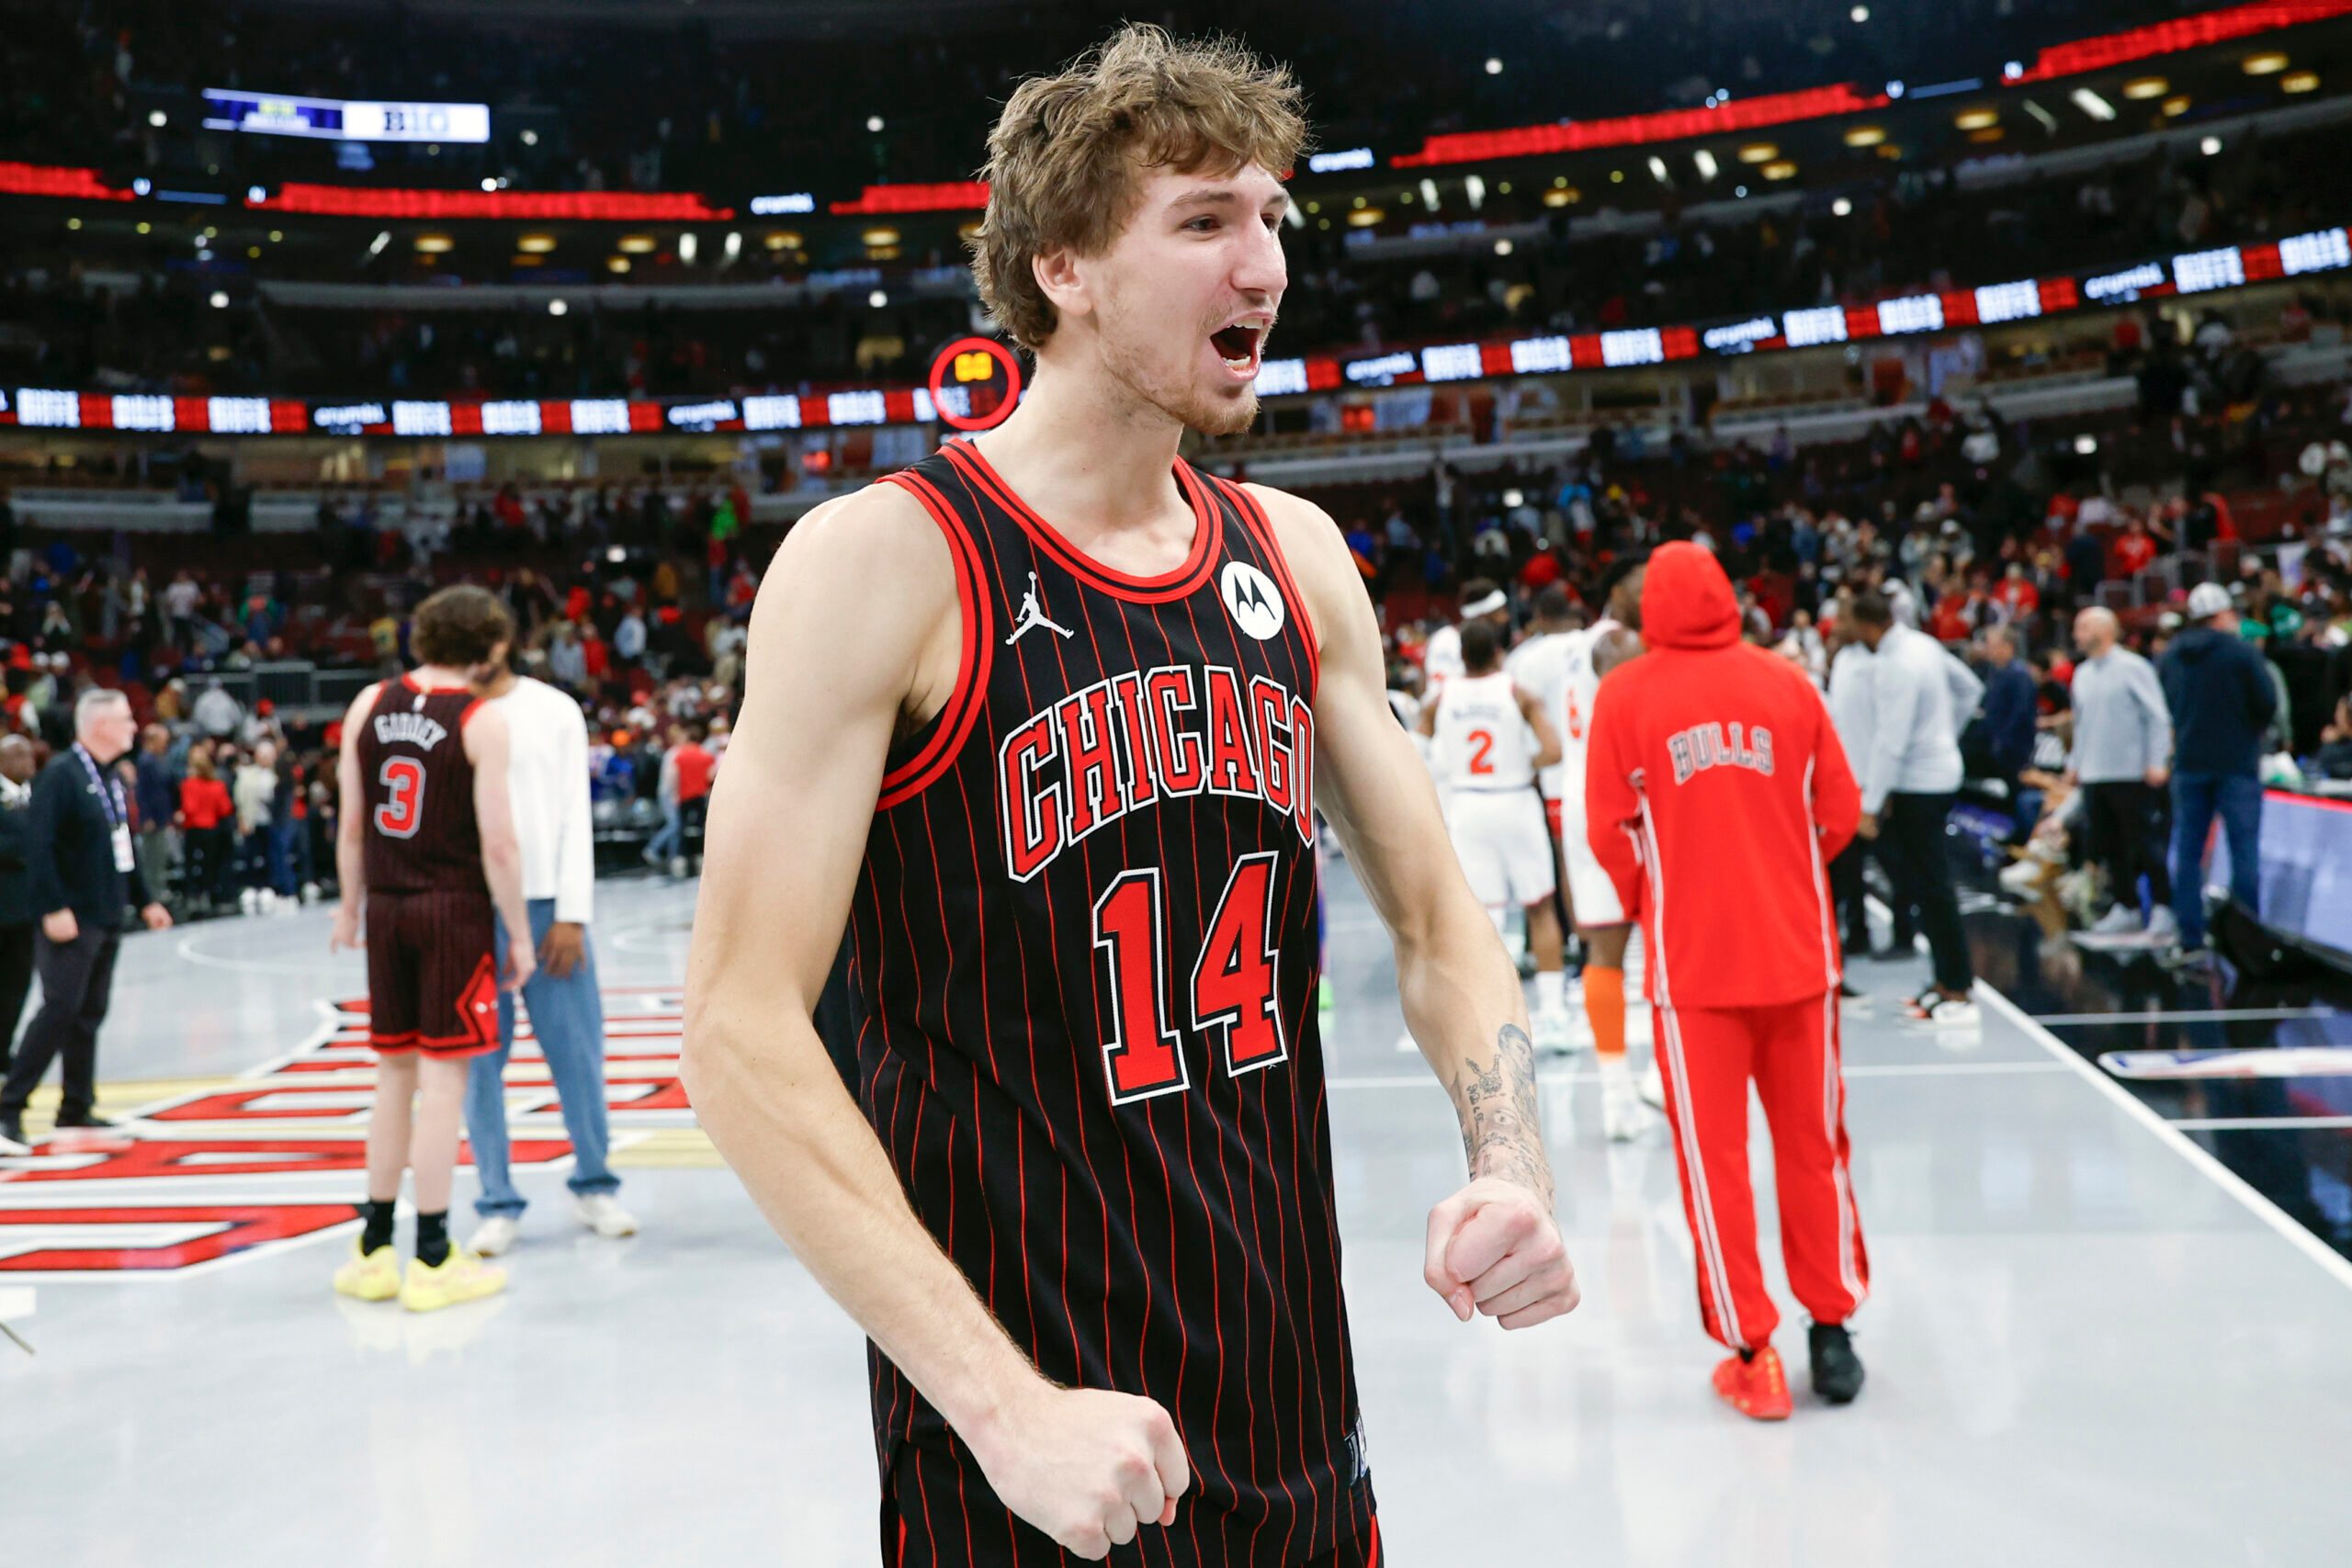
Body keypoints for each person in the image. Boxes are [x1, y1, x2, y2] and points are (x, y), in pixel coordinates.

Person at [683, 27, 1577, 1566]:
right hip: (1036, 1470)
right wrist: (1004, 1406)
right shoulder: (888, 561)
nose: (1264, 264)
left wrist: (1511, 1164)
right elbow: (737, 1027)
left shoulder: (1295, 557)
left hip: (1303, 1438)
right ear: (1065, 267)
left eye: (1273, 217)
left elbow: (1441, 924)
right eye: (1204, 219)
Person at [1586, 541, 1869, 1420]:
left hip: (1693, 969)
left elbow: (1608, 829)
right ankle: (1833, 1328)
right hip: (1799, 957)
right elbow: (1840, 812)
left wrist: (1658, 896)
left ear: (1650, 609)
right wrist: (1784, 870)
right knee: (1814, 1148)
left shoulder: (1624, 693)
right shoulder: (1789, 683)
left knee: (1716, 1164)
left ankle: (1755, 1353)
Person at [328, 585, 534, 1314]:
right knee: (444, 1084)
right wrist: (519, 932)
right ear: (492, 645)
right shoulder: (481, 719)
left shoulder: (367, 704)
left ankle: (373, 1248)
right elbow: (499, 844)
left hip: (386, 909)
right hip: (452, 911)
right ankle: (436, 1254)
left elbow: (351, 824)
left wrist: (349, 906)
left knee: (393, 1076)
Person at [463, 647, 636, 1255]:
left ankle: (595, 1183)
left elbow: (573, 814)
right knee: (478, 1064)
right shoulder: (444, 710)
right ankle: (496, 1200)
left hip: (547, 908)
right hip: (470, 910)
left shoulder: (554, 709)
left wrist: (571, 911)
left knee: (578, 1055)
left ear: (499, 643)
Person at [0, 691, 173, 1154]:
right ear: (99, 725)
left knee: (88, 1013)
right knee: (59, 1008)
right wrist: (53, 907)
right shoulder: (62, 775)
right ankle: (8, 1109)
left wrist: (145, 900)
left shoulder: (110, 776)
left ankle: (75, 1106)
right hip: (72, 914)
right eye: (125, 719)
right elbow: (39, 847)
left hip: (106, 911)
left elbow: (123, 843)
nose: (134, 727)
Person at [1418, 618, 1566, 1045]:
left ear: (1461, 656)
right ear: (1499, 652)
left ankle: (1492, 1016)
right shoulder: (1517, 692)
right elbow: (1553, 751)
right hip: (1514, 800)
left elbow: (1416, 749)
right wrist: (1521, 762)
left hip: (1468, 807)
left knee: (1484, 917)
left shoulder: (1440, 699)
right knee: (1540, 908)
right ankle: (1554, 1014)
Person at [1845, 592, 1978, 1025]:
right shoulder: (1925, 645)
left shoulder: (1895, 664)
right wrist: (1945, 735)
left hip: (1917, 782)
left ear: (1867, 626)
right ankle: (1945, 980)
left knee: (1932, 885)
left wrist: (1870, 804)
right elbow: (1970, 689)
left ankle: (1956, 986)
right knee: (1927, 884)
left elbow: (1892, 740)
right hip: (1936, 773)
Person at [1551, 557, 1649, 1135]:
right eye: (1642, 585)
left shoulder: (1576, 644)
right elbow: (1633, 704)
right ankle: (1654, 1079)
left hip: (1580, 793)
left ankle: (1618, 1097)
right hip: (1616, 799)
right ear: (1618, 591)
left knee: (1604, 949)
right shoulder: (1619, 642)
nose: (1652, 594)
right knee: (1659, 936)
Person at [2157, 582, 2275, 958]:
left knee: (2187, 851)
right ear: (2223, 614)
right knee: (2243, 851)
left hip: (2189, 763)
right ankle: (2245, 940)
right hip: (2236, 763)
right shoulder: (2241, 652)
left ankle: (2189, 936)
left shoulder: (2172, 655)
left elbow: (2166, 704)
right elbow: (2267, 702)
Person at [2067, 606, 2177, 942]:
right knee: (2109, 844)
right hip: (2095, 772)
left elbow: (2157, 717)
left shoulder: (2133, 667)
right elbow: (2081, 724)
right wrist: (2075, 764)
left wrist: (2157, 760)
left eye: (2083, 627)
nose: (2076, 635)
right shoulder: (2082, 674)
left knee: (2145, 842)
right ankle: (2125, 906)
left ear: (2106, 630)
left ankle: (2163, 907)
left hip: (2130, 771)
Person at [0, 736, 35, 1079]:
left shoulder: (37, 796)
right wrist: (26, 846)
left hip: (26, 910)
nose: (29, 760)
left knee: (18, 981)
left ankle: (3, 1047)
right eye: (20, 755)